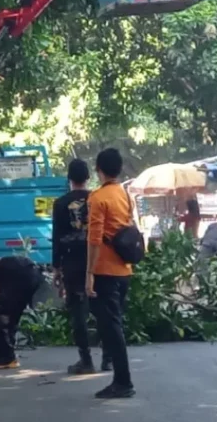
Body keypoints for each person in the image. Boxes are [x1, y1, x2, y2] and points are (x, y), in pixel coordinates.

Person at [86, 148, 135, 400]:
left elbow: (94, 239)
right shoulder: (126, 195)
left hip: (105, 270)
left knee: (111, 327)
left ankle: (123, 381)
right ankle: (120, 379)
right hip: (124, 269)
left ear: (99, 169)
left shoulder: (97, 198)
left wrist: (89, 274)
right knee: (113, 324)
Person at [51, 159, 109, 374]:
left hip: (72, 262)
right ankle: (108, 357)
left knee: (78, 312)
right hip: (98, 259)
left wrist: (56, 267)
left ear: (69, 178)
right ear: (88, 178)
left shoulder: (60, 203)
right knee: (104, 309)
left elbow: (56, 237)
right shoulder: (97, 199)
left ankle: (86, 360)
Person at [0, 254, 44, 369]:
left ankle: (6, 356)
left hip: (18, 276)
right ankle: (8, 352)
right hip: (32, 274)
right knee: (11, 315)